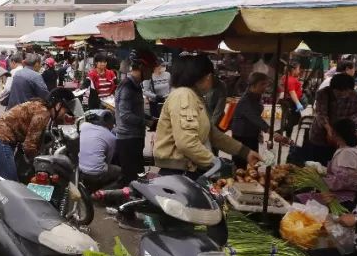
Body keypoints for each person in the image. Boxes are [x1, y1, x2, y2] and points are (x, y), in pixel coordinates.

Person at [153, 54, 260, 175]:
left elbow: (212, 134)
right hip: (179, 173)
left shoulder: (194, 96)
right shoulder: (184, 95)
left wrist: (245, 152)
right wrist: (215, 162)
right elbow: (186, 143)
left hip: (187, 170)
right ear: (208, 76)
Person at [0, 88, 77, 181]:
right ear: (58, 105)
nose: (66, 115)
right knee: (11, 185)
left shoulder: (40, 107)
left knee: (5, 180)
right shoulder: (43, 113)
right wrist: (40, 162)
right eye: (66, 111)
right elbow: (29, 146)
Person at [290, 73, 357, 166]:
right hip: (321, 133)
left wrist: (346, 129)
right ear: (332, 88)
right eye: (339, 92)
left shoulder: (353, 95)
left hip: (343, 134)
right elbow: (321, 114)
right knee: (319, 163)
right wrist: (329, 130)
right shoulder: (323, 93)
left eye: (346, 92)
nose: (343, 95)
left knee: (339, 161)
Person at [113, 51, 154, 184]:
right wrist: (147, 122)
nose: (152, 72)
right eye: (151, 69)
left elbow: (135, 111)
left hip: (135, 137)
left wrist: (151, 119)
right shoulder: (127, 86)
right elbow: (125, 115)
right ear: (142, 67)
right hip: (128, 139)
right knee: (131, 178)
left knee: (138, 176)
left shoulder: (136, 85)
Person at [229, 73, 274, 169]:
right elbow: (255, 118)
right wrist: (270, 131)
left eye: (266, 84)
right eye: (262, 84)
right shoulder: (246, 100)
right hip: (241, 137)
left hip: (252, 135)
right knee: (239, 167)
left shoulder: (257, 96)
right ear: (253, 85)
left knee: (254, 163)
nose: (265, 87)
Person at [79, 110, 120, 186]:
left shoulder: (84, 126)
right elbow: (108, 160)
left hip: (80, 170)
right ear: (110, 124)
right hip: (96, 174)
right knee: (120, 172)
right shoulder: (111, 137)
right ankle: (103, 193)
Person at [282, 62, 307, 136]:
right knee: (293, 121)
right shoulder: (290, 80)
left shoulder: (286, 77)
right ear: (293, 70)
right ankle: (278, 133)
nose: (299, 71)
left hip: (290, 102)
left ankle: (286, 137)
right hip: (292, 102)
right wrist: (298, 103)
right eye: (298, 69)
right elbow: (292, 93)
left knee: (292, 121)